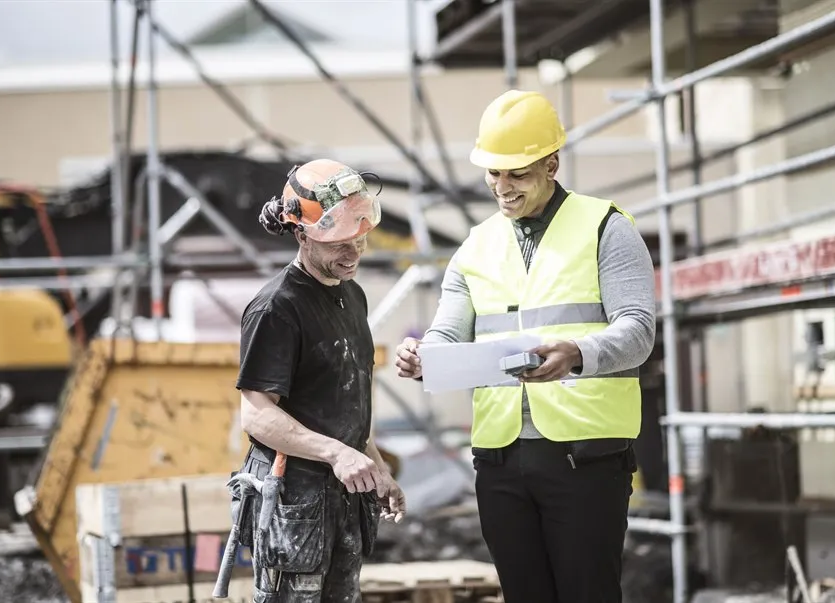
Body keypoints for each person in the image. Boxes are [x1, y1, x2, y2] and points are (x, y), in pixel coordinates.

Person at [394, 90, 657, 603]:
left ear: (552, 163)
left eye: (515, 173)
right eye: (492, 173)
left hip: (585, 459)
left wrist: (577, 355)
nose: (501, 186)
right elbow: (448, 334)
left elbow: (639, 331)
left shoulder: (606, 228)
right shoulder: (475, 246)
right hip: (500, 461)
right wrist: (423, 357)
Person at [232, 158, 406, 602]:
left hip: (342, 499)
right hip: (296, 502)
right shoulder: (277, 308)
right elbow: (255, 415)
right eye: (340, 243)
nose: (354, 253)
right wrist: (337, 454)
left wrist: (375, 466)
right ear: (302, 232)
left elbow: (345, 401)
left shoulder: (352, 296)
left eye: (360, 239)